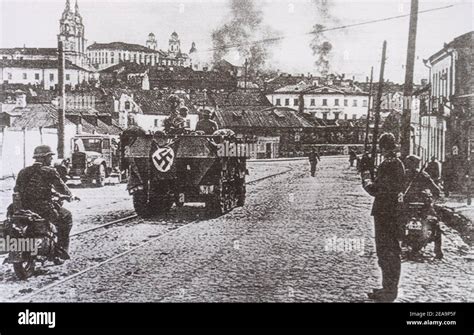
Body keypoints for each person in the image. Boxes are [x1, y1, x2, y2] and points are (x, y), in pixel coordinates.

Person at [362, 133, 405, 302]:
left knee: (387, 251)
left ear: (383, 147)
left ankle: (389, 291)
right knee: (388, 251)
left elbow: (378, 190)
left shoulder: (389, 165)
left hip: (385, 212)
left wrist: (366, 180)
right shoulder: (395, 164)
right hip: (390, 212)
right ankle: (387, 287)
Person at [14, 145, 75, 265]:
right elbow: (61, 188)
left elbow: (17, 189)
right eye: (50, 157)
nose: (51, 160)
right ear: (45, 158)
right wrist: (71, 195)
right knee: (66, 217)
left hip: (23, 209)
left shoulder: (23, 171)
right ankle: (61, 252)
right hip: (43, 208)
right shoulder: (49, 171)